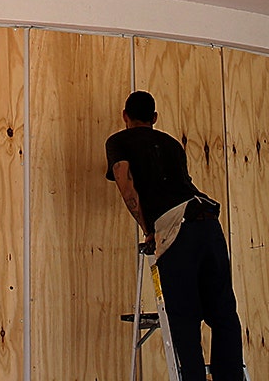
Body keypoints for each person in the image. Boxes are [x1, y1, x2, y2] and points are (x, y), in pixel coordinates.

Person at [105, 90, 245, 381]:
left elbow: (125, 182)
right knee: (223, 315)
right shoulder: (171, 143)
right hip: (208, 221)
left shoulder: (119, 140)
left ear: (125, 116)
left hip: (177, 226)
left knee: (183, 318)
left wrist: (149, 230)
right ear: (155, 118)